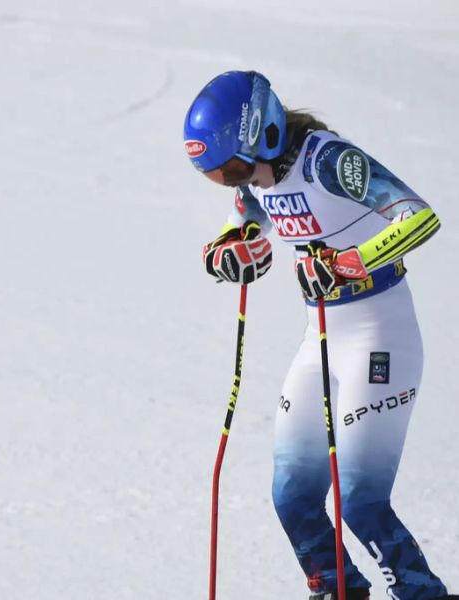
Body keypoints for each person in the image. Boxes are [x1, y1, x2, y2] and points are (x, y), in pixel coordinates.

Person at [183, 70, 453, 600]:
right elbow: (245, 220)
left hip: (380, 335)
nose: (234, 181)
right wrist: (229, 248)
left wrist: (352, 262)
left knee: (361, 501)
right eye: (216, 177)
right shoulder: (258, 177)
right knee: (293, 495)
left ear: (264, 133)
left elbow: (419, 218)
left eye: (234, 167)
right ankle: (338, 590)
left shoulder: (328, 162)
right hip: (322, 338)